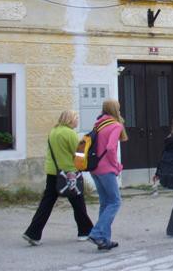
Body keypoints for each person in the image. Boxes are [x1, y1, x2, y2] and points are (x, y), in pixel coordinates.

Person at [22, 110, 93, 246]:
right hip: (69, 173)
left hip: (53, 171)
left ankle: (33, 233)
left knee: (46, 203)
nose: (77, 120)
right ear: (70, 120)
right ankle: (85, 231)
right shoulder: (70, 133)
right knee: (78, 202)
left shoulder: (53, 131)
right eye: (76, 118)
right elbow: (77, 153)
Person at [87, 99, 128, 251]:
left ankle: (104, 240)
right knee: (115, 202)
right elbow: (111, 148)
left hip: (94, 168)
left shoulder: (98, 124)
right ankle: (97, 233)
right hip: (106, 169)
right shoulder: (115, 125)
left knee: (105, 203)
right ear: (116, 109)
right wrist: (116, 165)